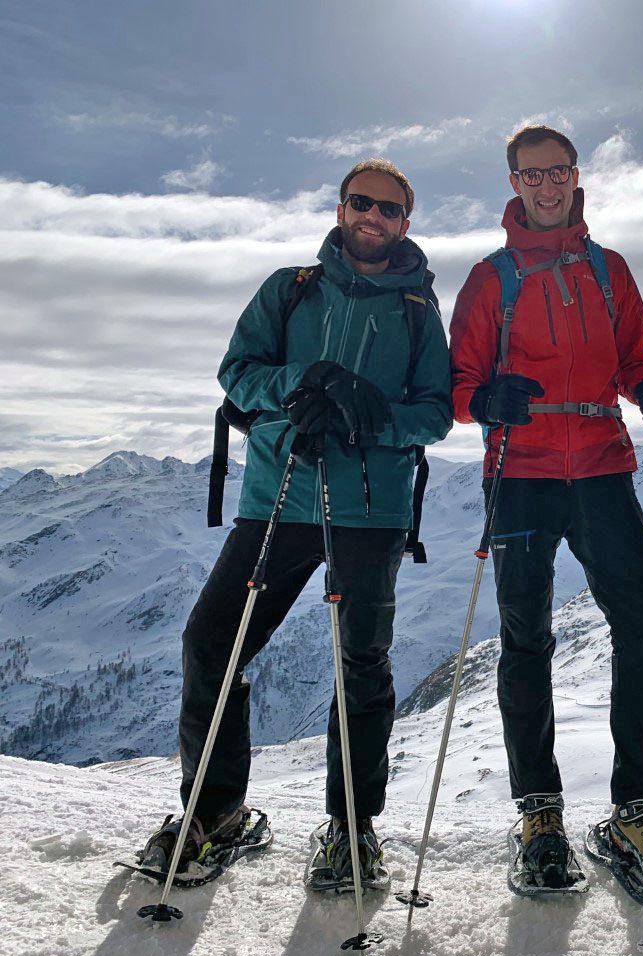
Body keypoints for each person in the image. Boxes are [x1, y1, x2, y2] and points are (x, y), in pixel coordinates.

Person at [140, 158, 452, 888]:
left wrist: (367, 412)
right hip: (277, 496)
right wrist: (303, 383)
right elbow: (237, 373)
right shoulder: (290, 290)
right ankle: (216, 813)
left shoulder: (416, 310)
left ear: (407, 223)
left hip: (370, 511)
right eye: (362, 204)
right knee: (212, 642)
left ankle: (352, 828)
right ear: (342, 208)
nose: (374, 218)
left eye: (390, 210)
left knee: (360, 666)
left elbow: (435, 413)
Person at [449, 125, 643, 895]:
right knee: (526, 639)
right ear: (513, 184)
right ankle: (540, 812)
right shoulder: (490, 280)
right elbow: (455, 387)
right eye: (531, 175)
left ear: (575, 176)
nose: (545, 186)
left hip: (599, 467)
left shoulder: (608, 270)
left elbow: (633, 364)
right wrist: (485, 398)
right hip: (518, 473)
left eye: (557, 173)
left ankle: (635, 808)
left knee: (642, 626)